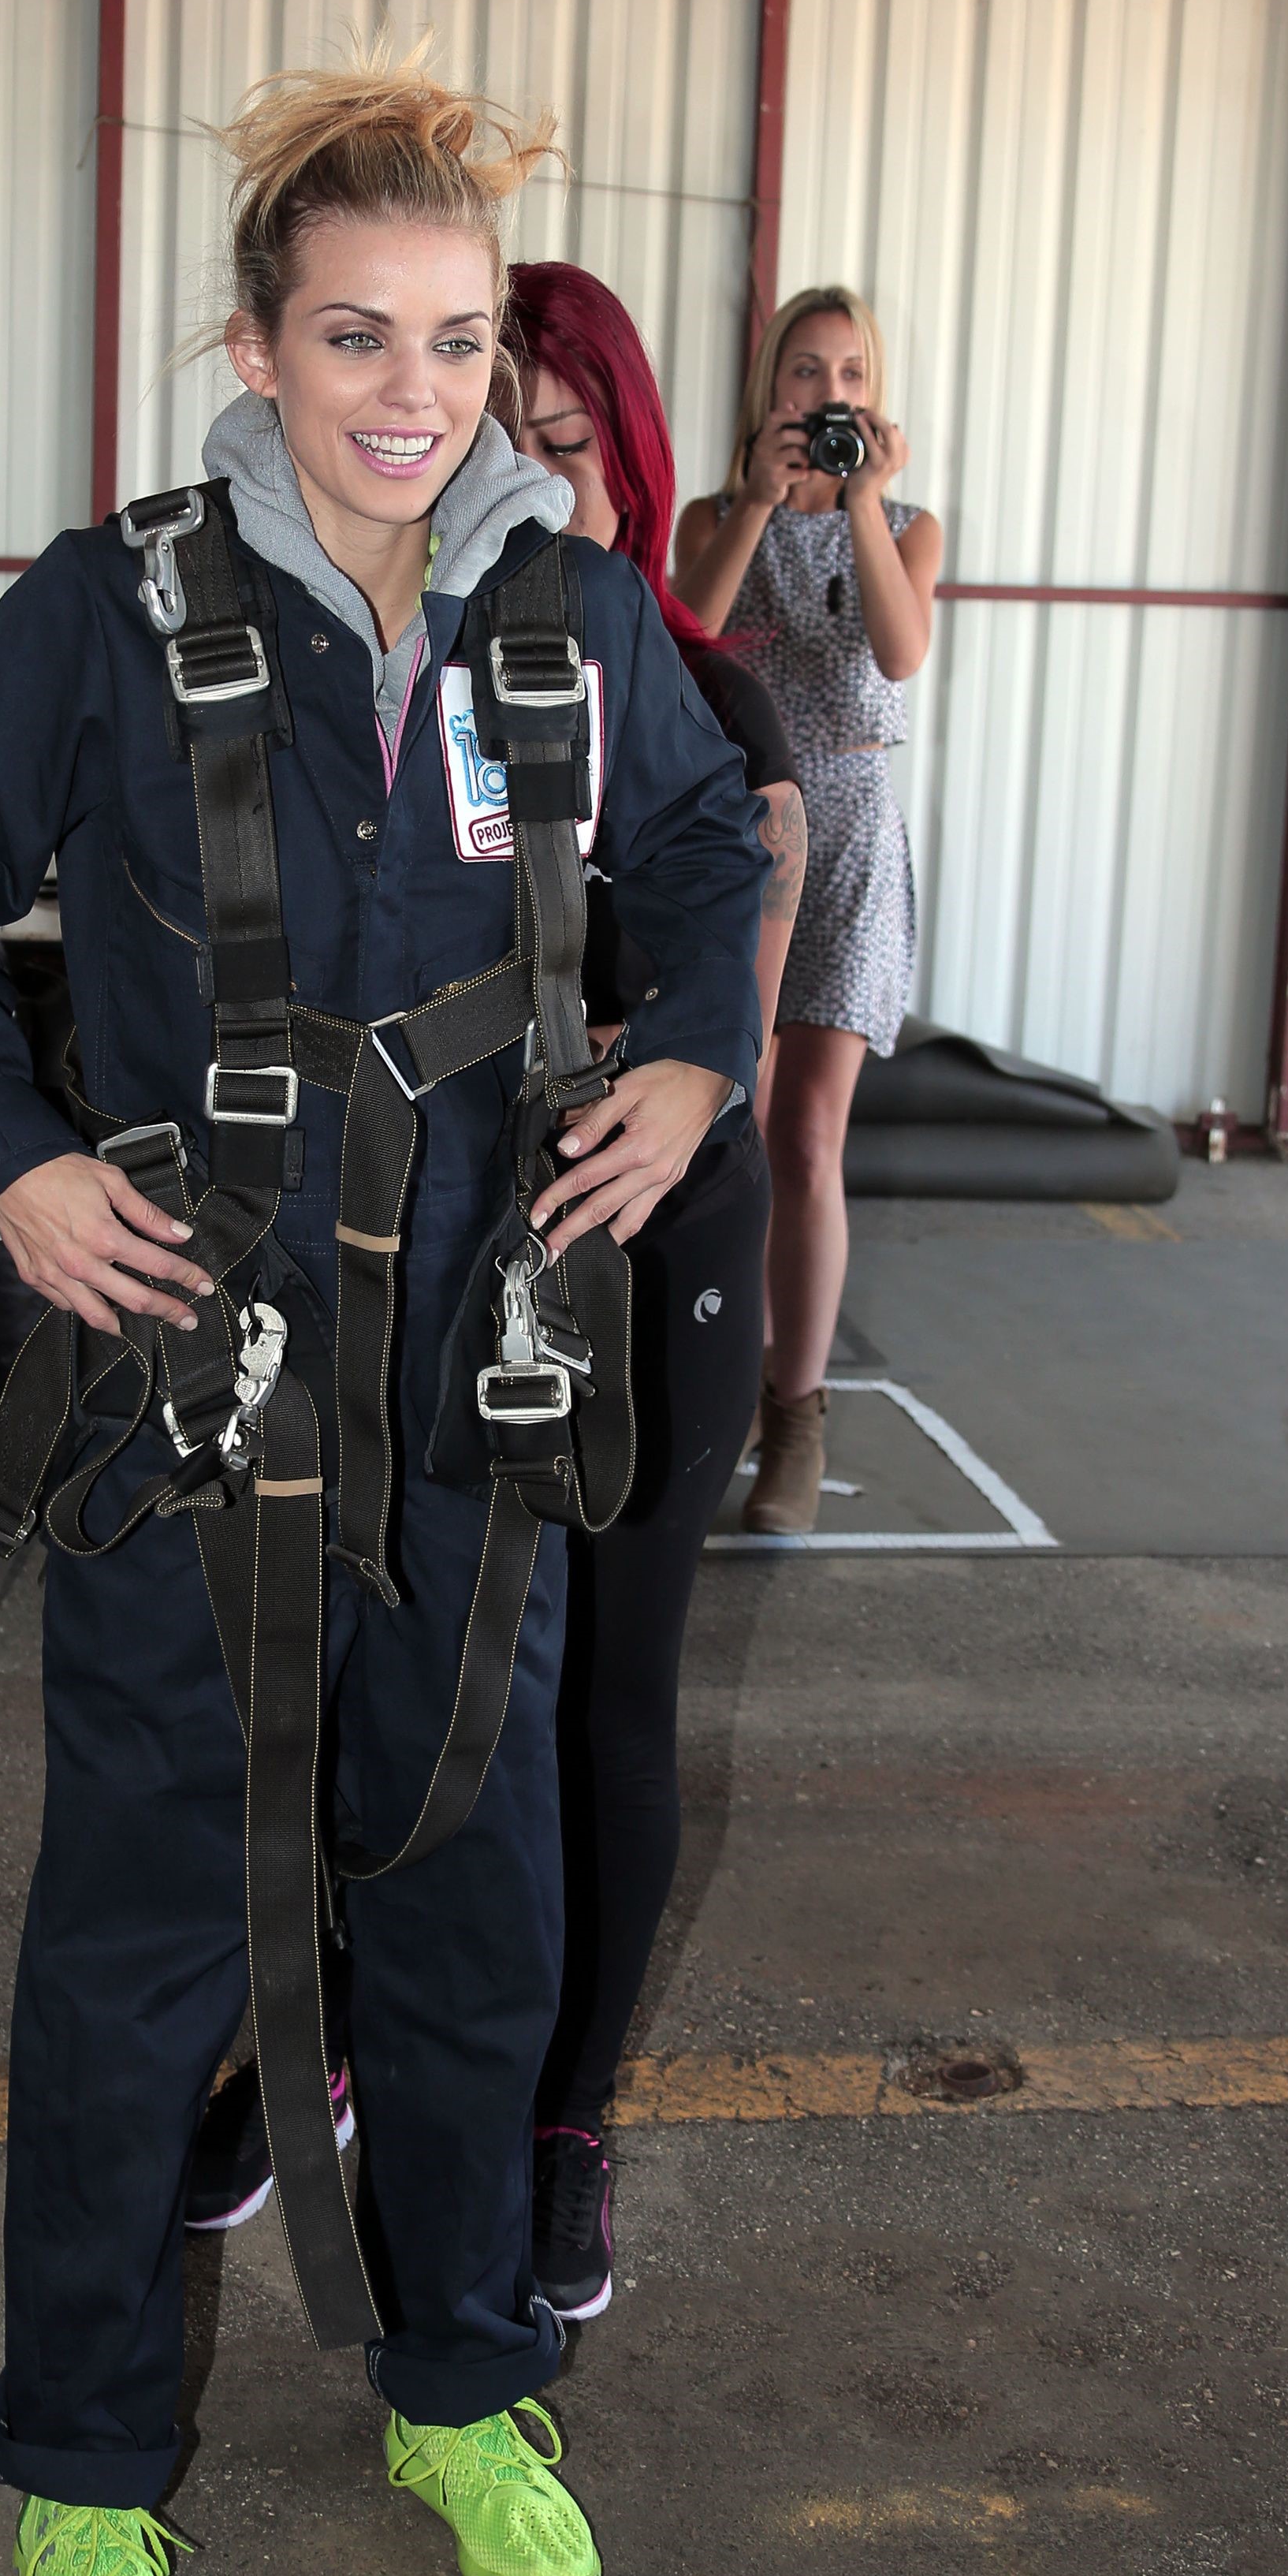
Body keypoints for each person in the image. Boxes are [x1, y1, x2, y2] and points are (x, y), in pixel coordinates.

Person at [0, 49, 764, 2576]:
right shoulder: (105, 615)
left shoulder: (567, 617)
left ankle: (460, 2382)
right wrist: (10, 1162)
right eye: (354, 336)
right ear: (256, 347)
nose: (408, 394)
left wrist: (693, 1059)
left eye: (455, 343)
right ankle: (81, 2472)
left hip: (478, 1361)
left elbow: (713, 855)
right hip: (184, 1364)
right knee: (145, 1942)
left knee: (473, 1904)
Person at [498, 260, 805, 2316]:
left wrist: (622, 1065)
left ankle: (567, 2122)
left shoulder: (713, 707)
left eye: (559, 446)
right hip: (453, 1248)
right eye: (489, 451)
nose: (529, 490)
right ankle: (333, 2038)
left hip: (656, 1260)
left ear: (624, 454)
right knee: (401, 1673)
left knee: (606, 1691)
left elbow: (732, 1025)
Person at [672, 285, 940, 1532]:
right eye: (804, 372)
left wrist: (864, 504)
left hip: (851, 847)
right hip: (744, 843)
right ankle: (726, 1382)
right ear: (767, 388)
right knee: (738, 1122)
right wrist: (760, 503)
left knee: (812, 1139)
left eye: (849, 375)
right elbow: (689, 632)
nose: (827, 395)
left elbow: (897, 653)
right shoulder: (713, 515)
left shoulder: (911, 526)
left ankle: (797, 1415)